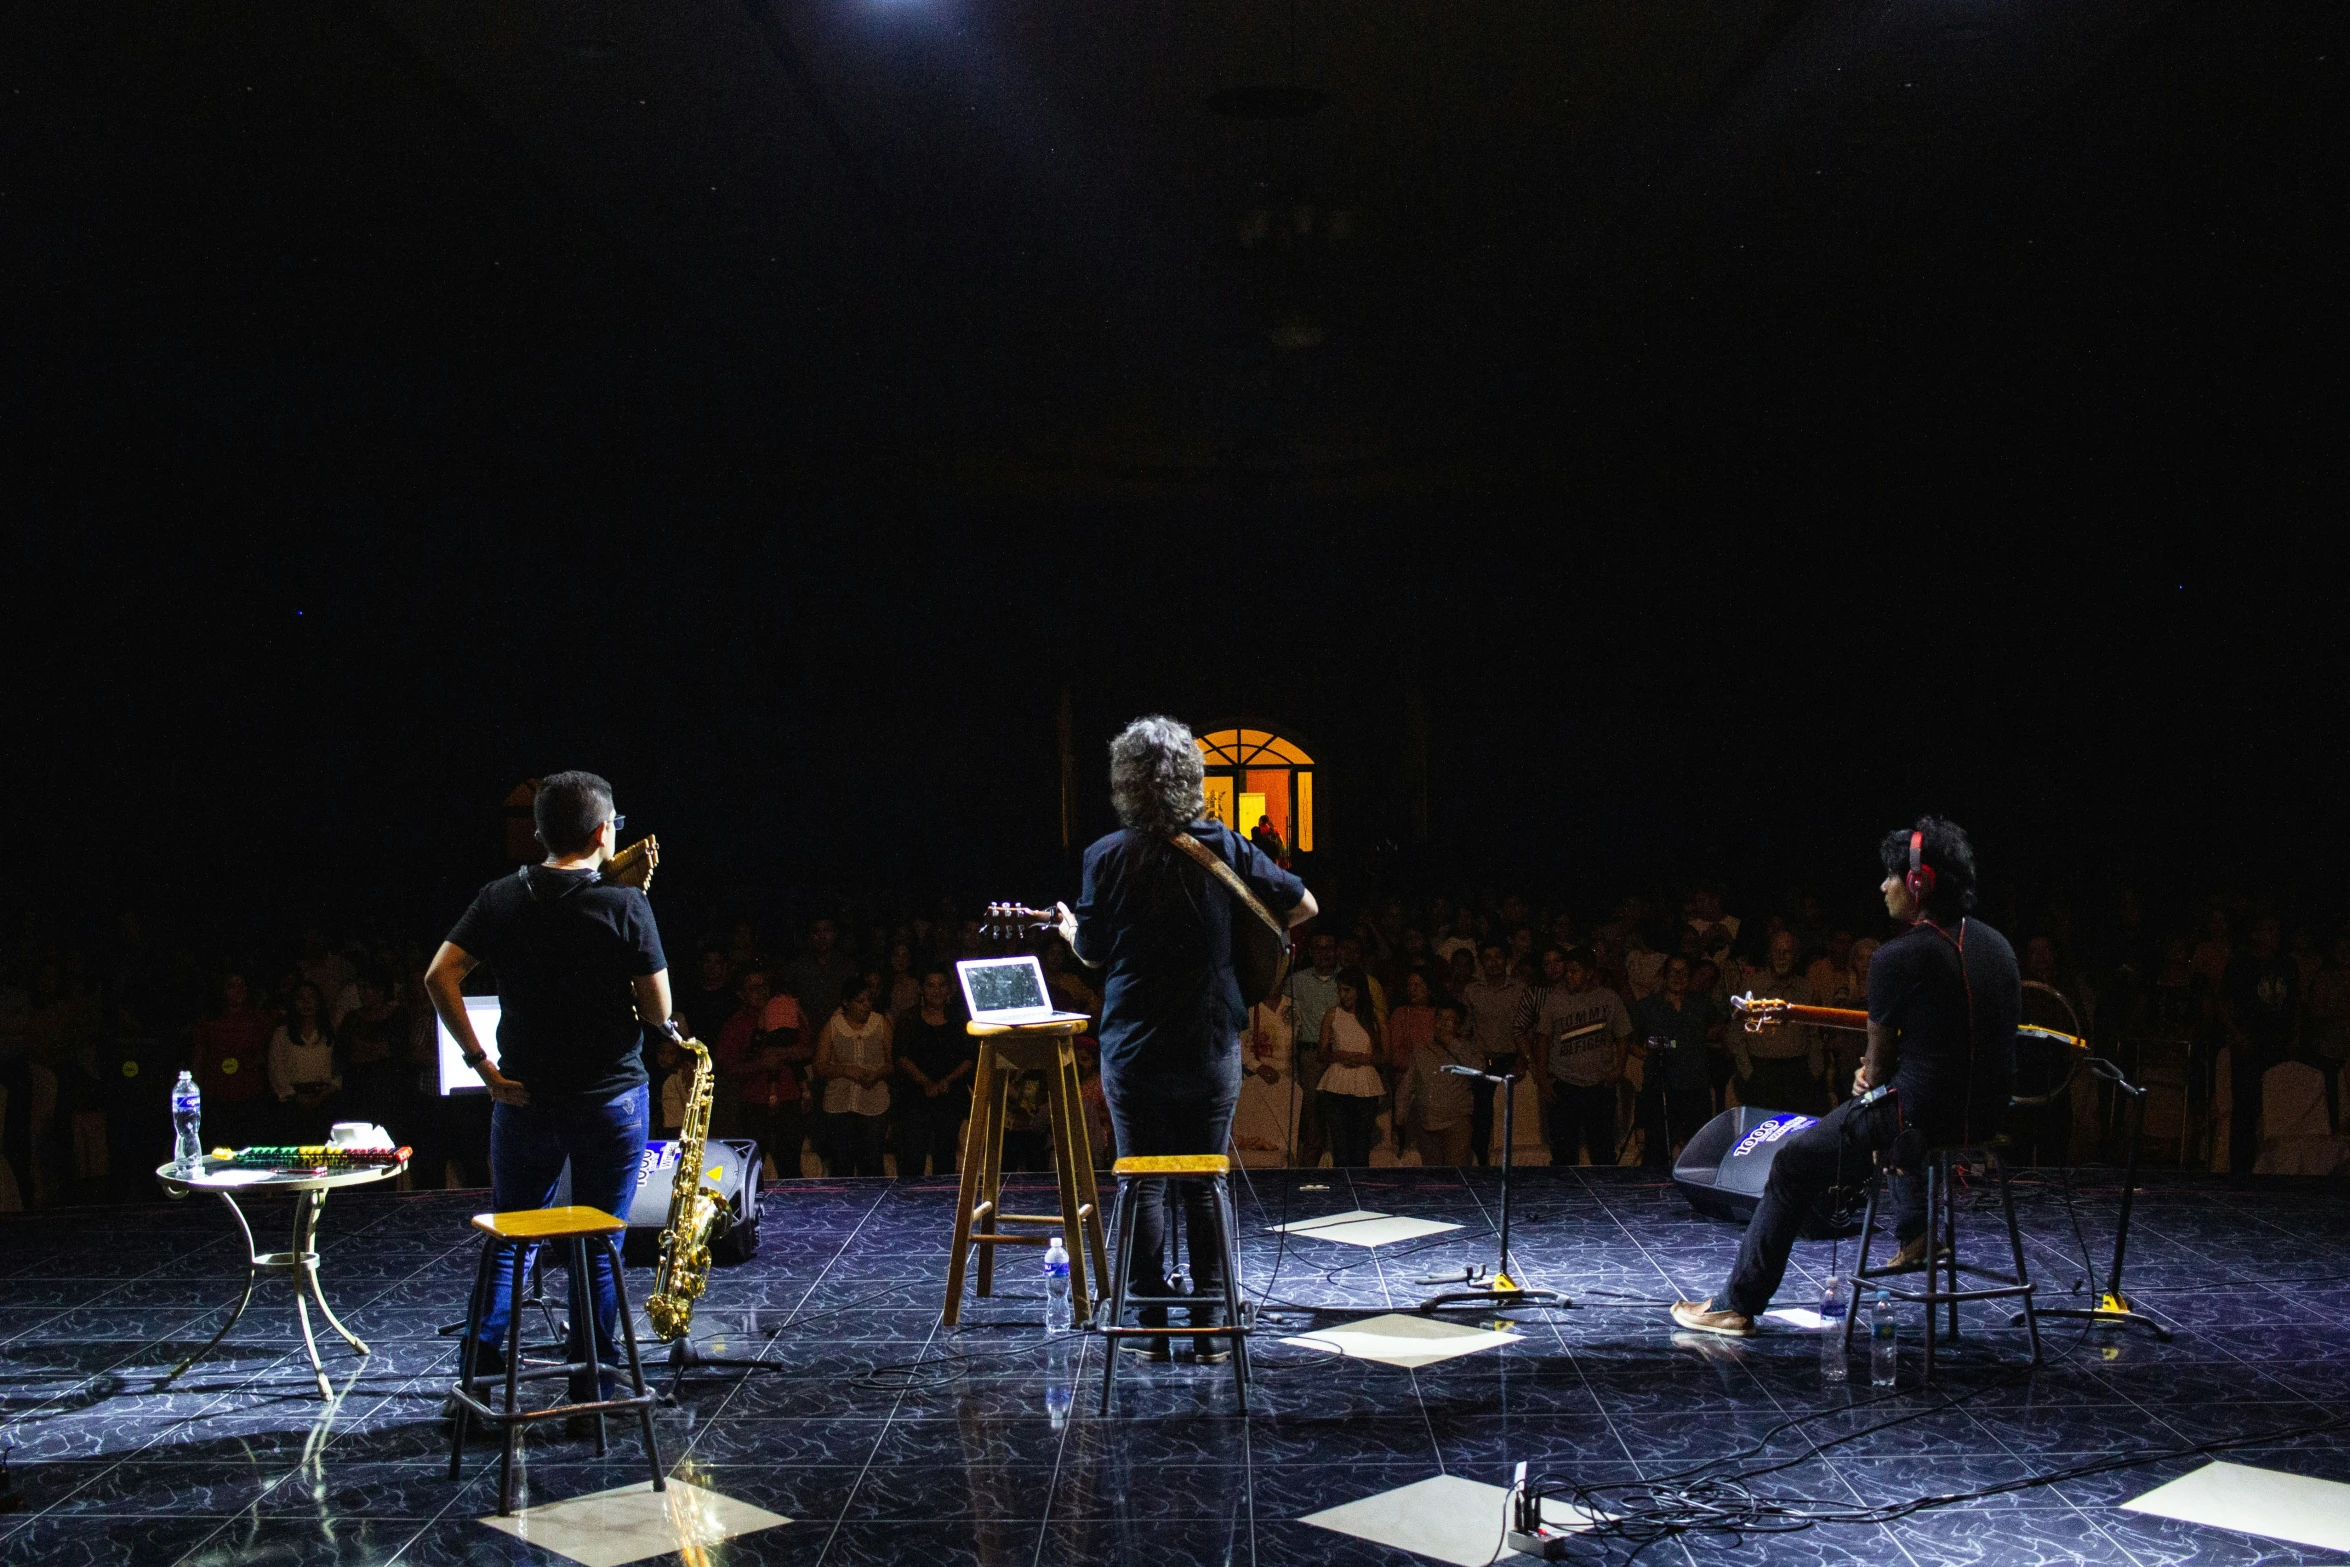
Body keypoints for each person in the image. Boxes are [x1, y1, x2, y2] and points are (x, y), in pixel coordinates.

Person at [1673, 816, 2020, 1337]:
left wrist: (1868, 1075)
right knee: (1895, 1121)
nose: (1883, 886)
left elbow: (1875, 1070)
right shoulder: (1999, 946)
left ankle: (1736, 1303)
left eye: (1892, 877)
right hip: (1987, 1117)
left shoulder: (1895, 957)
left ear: (1920, 883)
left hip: (1918, 1117)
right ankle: (1918, 1236)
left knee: (1794, 1161)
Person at [1054, 715, 1314, 1362]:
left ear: (1125, 783)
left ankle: (1147, 1326)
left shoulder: (1105, 856)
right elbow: (1304, 905)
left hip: (1134, 1049)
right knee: (1204, 1179)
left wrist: (1065, 929)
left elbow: (1089, 951)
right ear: (1190, 778)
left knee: (1141, 1180)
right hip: (1209, 1044)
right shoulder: (1223, 845)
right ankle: (1213, 1323)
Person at [425, 770, 672, 1395]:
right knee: (597, 1243)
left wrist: (484, 1067)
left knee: (513, 1238)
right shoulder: (626, 904)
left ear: (539, 834)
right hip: (609, 1100)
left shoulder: (502, 897)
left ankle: (477, 1383)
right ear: (600, 830)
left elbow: (438, 977)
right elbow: (656, 1012)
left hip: (524, 1098)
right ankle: (593, 1386)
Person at [1531, 948, 1633, 1168]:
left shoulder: (1608, 998)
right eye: (1567, 971)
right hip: (1565, 1084)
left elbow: (1623, 1035)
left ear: (1589, 973)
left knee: (1602, 1149)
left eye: (1574, 971)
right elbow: (1543, 1038)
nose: (1569, 976)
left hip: (1599, 1084)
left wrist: (1618, 1068)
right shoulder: (1555, 1000)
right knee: (1563, 1152)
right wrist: (1542, 1077)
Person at [2220, 914, 2298, 1174]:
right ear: (2256, 933)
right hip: (2249, 1046)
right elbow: (2225, 1003)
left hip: (2278, 1047)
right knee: (2245, 1110)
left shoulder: (2287, 966)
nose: (2275, 934)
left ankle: (2276, 1168)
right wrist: (2237, 1035)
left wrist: (2293, 1038)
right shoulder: (2240, 965)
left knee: (2279, 1110)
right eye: (2269, 928)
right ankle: (2240, 1170)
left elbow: (2295, 1006)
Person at [1631, 956, 1717, 1168]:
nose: (1679, 977)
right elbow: (1631, 1041)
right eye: (1674, 972)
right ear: (1664, 975)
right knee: (1658, 1146)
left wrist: (1696, 1042)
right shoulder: (1647, 1006)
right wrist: (1654, 1050)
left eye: (1684, 972)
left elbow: (1720, 1029)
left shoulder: (1701, 1004)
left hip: (1695, 1083)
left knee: (1698, 1144)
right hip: (1660, 1083)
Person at [893, 968, 973, 1177]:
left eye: (941, 985)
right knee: (913, 1155)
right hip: (915, 1096)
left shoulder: (958, 1019)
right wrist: (926, 1082)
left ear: (948, 989)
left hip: (950, 1096)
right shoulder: (909, 1018)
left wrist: (947, 1081)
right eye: (931, 985)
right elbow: (901, 1056)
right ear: (922, 988)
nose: (936, 990)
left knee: (945, 1154)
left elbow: (969, 1057)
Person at [1733, 930, 1824, 1113]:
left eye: (1787, 952)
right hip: (1761, 1074)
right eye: (1777, 952)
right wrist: (1748, 1073)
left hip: (1798, 1074)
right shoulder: (1752, 987)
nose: (1781, 957)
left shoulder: (1806, 990)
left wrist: (1814, 1072)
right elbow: (1735, 1033)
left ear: (1796, 957)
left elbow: (1814, 1035)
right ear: (1769, 955)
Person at [188, 971, 273, 1153]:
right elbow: (199, 1058)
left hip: (251, 1096)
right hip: (217, 1098)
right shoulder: (209, 1021)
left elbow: (268, 1055)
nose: (238, 991)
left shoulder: (258, 1019)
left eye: (242, 985)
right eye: (232, 986)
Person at [815, 977, 892, 1176]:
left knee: (872, 1161)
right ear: (846, 1002)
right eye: (860, 1001)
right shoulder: (834, 1026)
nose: (866, 1006)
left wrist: (877, 1073)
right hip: (840, 1102)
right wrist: (845, 1070)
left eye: (869, 1001)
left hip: (873, 1102)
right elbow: (820, 1065)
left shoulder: (879, 1023)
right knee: (842, 1161)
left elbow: (892, 1062)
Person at [1460, 943, 1530, 1164]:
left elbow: (1527, 1028)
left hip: (1511, 1059)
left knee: (1510, 1118)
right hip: (1482, 1060)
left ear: (1506, 960)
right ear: (1481, 962)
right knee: (1481, 1117)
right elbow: (1466, 1028)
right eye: (1487, 957)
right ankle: (1482, 1165)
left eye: (1498, 956)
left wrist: (1522, 1060)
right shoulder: (1472, 991)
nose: (1493, 962)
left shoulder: (1520, 989)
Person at [1396, 999, 1482, 1166]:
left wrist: (1451, 1043)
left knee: (1456, 1176)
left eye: (1448, 1020)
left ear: (1458, 1025)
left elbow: (1478, 1071)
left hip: (1457, 1124)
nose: (1442, 1024)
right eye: (1439, 1019)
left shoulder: (1468, 1049)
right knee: (1433, 1177)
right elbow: (1407, 1086)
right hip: (1427, 1124)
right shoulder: (1421, 1051)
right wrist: (1400, 1117)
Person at [1284, 932, 1343, 1169]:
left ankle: (1339, 1171)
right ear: (1310, 952)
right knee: (1312, 1114)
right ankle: (1307, 1171)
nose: (1324, 953)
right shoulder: (1295, 982)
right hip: (1310, 1056)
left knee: (1338, 1115)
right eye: (1318, 948)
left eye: (1329, 948)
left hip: (1339, 1054)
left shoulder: (1345, 979)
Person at [1316, 970, 1386, 1166]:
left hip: (1365, 1083)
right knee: (1341, 1146)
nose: (1343, 995)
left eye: (1347, 990)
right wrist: (1338, 1055)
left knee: (1361, 1145)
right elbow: (1321, 1054)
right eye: (1340, 990)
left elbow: (1384, 1057)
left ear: (1359, 990)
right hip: (1337, 1082)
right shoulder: (1333, 1014)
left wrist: (1365, 1058)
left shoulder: (1375, 1017)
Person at [267, 981, 341, 1140]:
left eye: (312, 998)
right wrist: (294, 1096)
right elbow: (276, 1069)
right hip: (293, 1103)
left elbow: (340, 1068)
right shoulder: (282, 1034)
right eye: (301, 998)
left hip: (327, 1099)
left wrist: (326, 1093)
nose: (307, 1003)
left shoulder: (331, 1032)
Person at [1233, 992, 1298, 1167]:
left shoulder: (1293, 1006)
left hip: (1286, 1082)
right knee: (1256, 1136)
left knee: (1283, 1136)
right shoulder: (1250, 1008)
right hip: (1254, 1080)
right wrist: (1257, 1066)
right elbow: (1238, 1043)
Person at [1384, 971, 1438, 1157]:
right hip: (1406, 1080)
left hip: (1434, 1082)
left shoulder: (1438, 1015)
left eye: (1418, 984)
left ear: (1429, 988)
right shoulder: (1400, 1014)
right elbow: (1395, 1052)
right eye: (1410, 985)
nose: (1413, 990)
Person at [2307, 932, 2350, 1134]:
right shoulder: (2324, 977)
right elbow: (2316, 1009)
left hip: (2346, 1047)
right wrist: (2338, 1012)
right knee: (2332, 1097)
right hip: (2329, 1048)